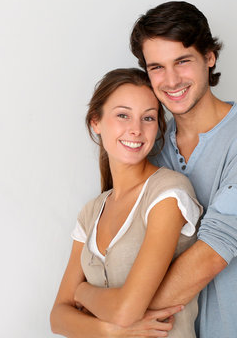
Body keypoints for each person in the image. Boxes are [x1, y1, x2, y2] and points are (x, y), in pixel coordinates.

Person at [129, 1, 237, 337]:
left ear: (209, 56)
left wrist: (116, 315)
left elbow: (211, 254)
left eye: (182, 61)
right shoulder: (150, 148)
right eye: (156, 67)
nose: (170, 80)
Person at [50, 68, 204, 337]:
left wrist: (82, 291)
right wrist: (110, 331)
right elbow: (58, 318)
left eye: (148, 118)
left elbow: (127, 311)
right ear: (95, 122)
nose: (136, 129)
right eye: (123, 115)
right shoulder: (91, 212)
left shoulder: (168, 193)